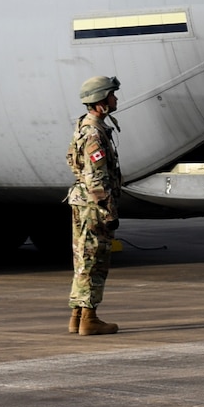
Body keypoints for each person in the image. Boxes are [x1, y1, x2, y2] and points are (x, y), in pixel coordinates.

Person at [66, 74, 125, 336]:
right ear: (100, 101)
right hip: (93, 204)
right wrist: (108, 210)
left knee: (83, 259)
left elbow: (71, 160)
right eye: (112, 95)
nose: (115, 99)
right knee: (95, 260)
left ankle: (77, 316)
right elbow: (96, 176)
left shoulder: (84, 126)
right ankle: (89, 318)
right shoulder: (94, 133)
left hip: (83, 201)